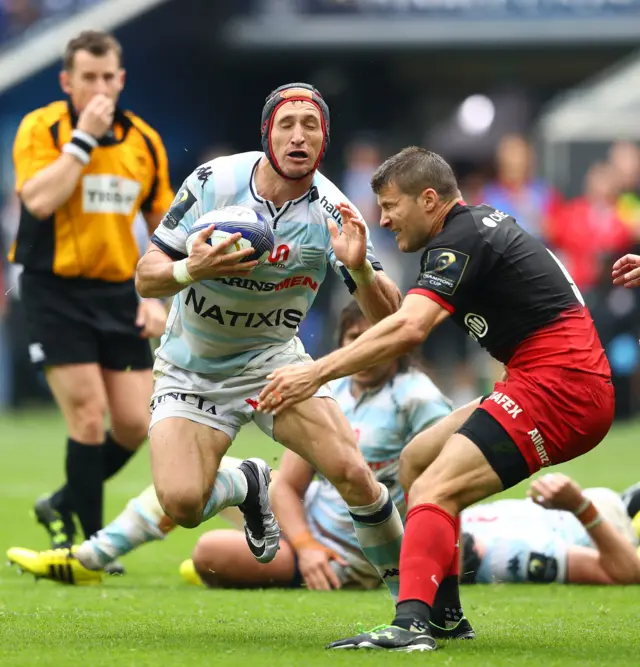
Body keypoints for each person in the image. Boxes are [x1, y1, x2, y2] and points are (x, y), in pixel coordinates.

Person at [16, 82, 408, 608]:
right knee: (181, 503)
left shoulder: (334, 210)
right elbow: (147, 276)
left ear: (324, 137)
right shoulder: (213, 181)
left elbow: (393, 321)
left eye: (310, 126)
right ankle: (248, 482)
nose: (298, 137)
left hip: (272, 363)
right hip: (190, 368)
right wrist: (191, 268)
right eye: (286, 125)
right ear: (267, 134)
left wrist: (359, 267)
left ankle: (417, 607)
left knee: (354, 474)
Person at [258, 146, 615, 652]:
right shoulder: (469, 231)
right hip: (544, 381)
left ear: (429, 200)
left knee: (435, 490)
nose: (383, 218)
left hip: (562, 389)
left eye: (390, 205)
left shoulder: (460, 238)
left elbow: (408, 329)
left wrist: (314, 373)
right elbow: (399, 322)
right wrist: (360, 271)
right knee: (417, 461)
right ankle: (444, 616)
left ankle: (410, 624)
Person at [7, 301, 453, 595]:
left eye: (372, 339)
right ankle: (91, 556)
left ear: (395, 346)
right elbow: (292, 485)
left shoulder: (416, 396)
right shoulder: (334, 386)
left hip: (346, 552)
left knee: (207, 555)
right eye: (351, 339)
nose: (361, 350)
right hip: (307, 528)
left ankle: (401, 596)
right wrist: (303, 540)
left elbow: (443, 483)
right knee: (181, 484)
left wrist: (430, 557)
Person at [8, 30, 172, 558]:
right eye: (88, 78)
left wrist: (157, 298)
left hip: (118, 292)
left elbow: (165, 228)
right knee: (87, 414)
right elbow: (38, 199)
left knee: (134, 422)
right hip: (52, 289)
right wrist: (82, 140)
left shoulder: (144, 141)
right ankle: (91, 543)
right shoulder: (42, 128)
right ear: (67, 81)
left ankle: (60, 503)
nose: (100, 88)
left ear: (121, 79)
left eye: (108, 77)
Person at [462, 473, 640, 586]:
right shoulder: (505, 557)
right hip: (618, 533)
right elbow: (626, 571)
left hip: (613, 507)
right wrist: (581, 508)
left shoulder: (453, 519)